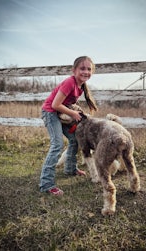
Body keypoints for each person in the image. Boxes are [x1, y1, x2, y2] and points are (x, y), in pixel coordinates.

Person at [39, 56, 98, 196]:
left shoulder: (81, 86)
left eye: (89, 69)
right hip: (51, 113)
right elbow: (55, 104)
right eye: (82, 68)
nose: (86, 71)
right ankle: (46, 184)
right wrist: (72, 113)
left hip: (61, 113)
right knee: (57, 145)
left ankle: (70, 169)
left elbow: (65, 104)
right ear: (74, 70)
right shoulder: (70, 82)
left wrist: (74, 112)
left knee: (75, 139)